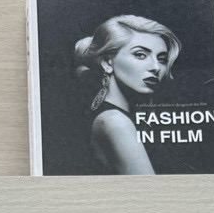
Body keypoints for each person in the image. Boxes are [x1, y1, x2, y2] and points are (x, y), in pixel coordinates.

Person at [72, 14, 182, 174]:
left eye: (162, 59)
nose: (156, 67)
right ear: (107, 62)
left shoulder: (120, 116)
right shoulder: (115, 122)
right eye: (140, 55)